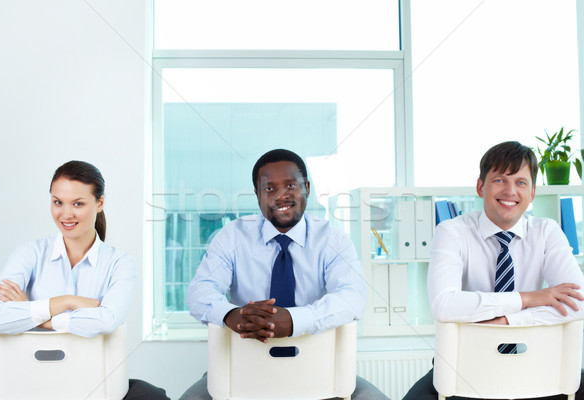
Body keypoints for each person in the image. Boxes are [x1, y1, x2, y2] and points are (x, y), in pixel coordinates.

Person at [181, 149, 389, 400]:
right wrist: (231, 314)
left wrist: (292, 320)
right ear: (257, 195)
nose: (281, 195)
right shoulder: (232, 236)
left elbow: (353, 298)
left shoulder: (332, 239)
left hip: (318, 367)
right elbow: (199, 292)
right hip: (242, 366)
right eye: (269, 189)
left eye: (291, 185)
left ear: (307, 188)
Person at [403, 141, 584, 400]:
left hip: (536, 364)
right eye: (500, 180)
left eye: (521, 182)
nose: (510, 191)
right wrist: (528, 298)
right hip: (465, 365)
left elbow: (579, 303)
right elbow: (444, 305)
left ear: (532, 193)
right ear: (480, 187)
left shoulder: (547, 231)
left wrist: (507, 322)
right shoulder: (452, 232)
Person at [0, 160, 169, 399]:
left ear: (99, 203)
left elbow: (107, 320)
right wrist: (66, 301)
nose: (66, 214)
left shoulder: (120, 263)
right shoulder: (29, 254)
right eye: (57, 202)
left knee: (152, 396)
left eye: (78, 204)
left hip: (95, 379)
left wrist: (38, 317)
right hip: (33, 380)